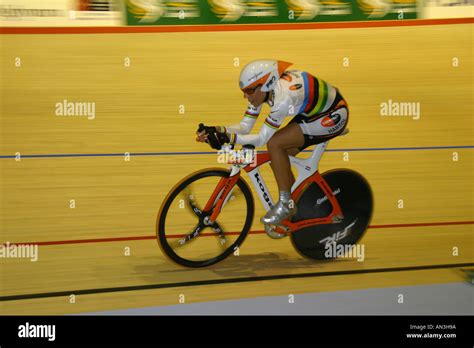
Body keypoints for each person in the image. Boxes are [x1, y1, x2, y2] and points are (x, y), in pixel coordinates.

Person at [196, 59, 349, 227]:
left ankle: (285, 205)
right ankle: (295, 207)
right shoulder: (264, 92)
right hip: (314, 113)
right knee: (278, 161)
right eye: (244, 91)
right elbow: (245, 127)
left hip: (333, 115)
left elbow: (263, 139)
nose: (245, 96)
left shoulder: (283, 98)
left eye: (248, 91)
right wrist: (218, 130)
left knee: (275, 144)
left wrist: (229, 139)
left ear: (264, 84)